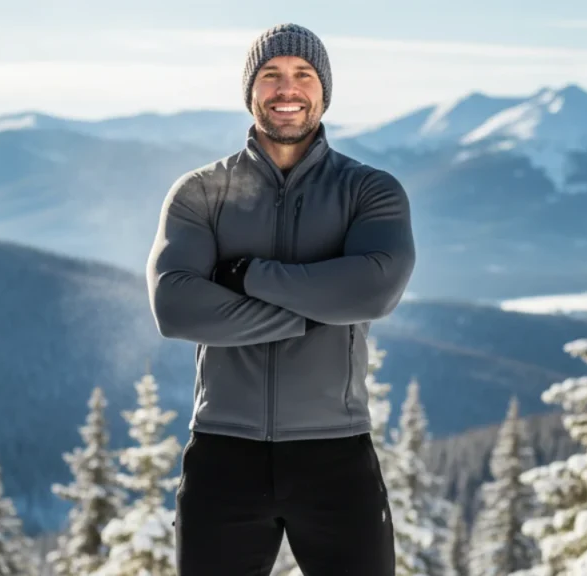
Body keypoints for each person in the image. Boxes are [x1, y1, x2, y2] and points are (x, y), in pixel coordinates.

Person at [145, 22, 415, 576]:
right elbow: (175, 307)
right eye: (271, 75)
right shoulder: (201, 192)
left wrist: (246, 275)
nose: (287, 89)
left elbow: (375, 288)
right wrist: (311, 314)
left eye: (303, 74)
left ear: (324, 90)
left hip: (336, 453)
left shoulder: (368, 190)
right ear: (250, 90)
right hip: (223, 453)